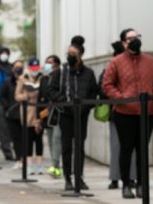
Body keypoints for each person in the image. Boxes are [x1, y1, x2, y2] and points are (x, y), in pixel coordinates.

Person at [102, 28, 153, 199]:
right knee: (126, 149)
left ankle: (142, 185)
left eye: (137, 37)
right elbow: (107, 84)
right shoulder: (116, 62)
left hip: (147, 112)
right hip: (124, 113)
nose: (135, 40)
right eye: (130, 38)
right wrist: (122, 98)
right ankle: (126, 185)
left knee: (143, 149)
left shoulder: (150, 61)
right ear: (123, 43)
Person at [48, 35, 98, 191]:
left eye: (73, 53)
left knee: (79, 147)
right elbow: (51, 90)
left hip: (82, 115)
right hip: (65, 114)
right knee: (67, 146)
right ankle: (67, 178)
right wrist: (63, 101)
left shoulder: (88, 73)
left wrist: (86, 107)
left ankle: (79, 177)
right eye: (68, 53)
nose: (69, 56)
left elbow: (93, 93)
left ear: (80, 55)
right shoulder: (61, 72)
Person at [99, 41, 138, 190]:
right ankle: (115, 178)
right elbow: (103, 87)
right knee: (117, 148)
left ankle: (131, 177)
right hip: (116, 112)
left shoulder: (133, 65)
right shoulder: (111, 66)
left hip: (132, 111)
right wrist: (119, 96)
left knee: (131, 148)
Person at [15, 57, 44, 175]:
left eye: (37, 68)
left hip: (40, 112)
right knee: (28, 140)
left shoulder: (43, 77)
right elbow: (17, 96)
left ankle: (39, 165)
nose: (35, 70)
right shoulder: (23, 78)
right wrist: (26, 96)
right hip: (27, 113)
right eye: (33, 68)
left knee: (39, 140)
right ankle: (30, 166)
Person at [37, 55, 63, 178]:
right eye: (46, 62)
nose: (47, 65)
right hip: (46, 112)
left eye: (50, 62)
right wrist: (39, 116)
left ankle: (56, 165)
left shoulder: (61, 75)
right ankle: (55, 165)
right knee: (51, 138)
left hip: (58, 111)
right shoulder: (44, 78)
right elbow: (40, 97)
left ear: (57, 64)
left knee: (57, 138)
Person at [1, 60, 25, 169]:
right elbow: (2, 96)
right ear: (12, 68)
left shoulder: (26, 80)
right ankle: (19, 159)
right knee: (16, 138)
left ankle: (26, 159)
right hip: (12, 114)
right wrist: (7, 108)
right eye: (16, 67)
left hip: (25, 114)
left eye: (20, 67)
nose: (18, 69)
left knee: (25, 138)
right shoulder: (7, 82)